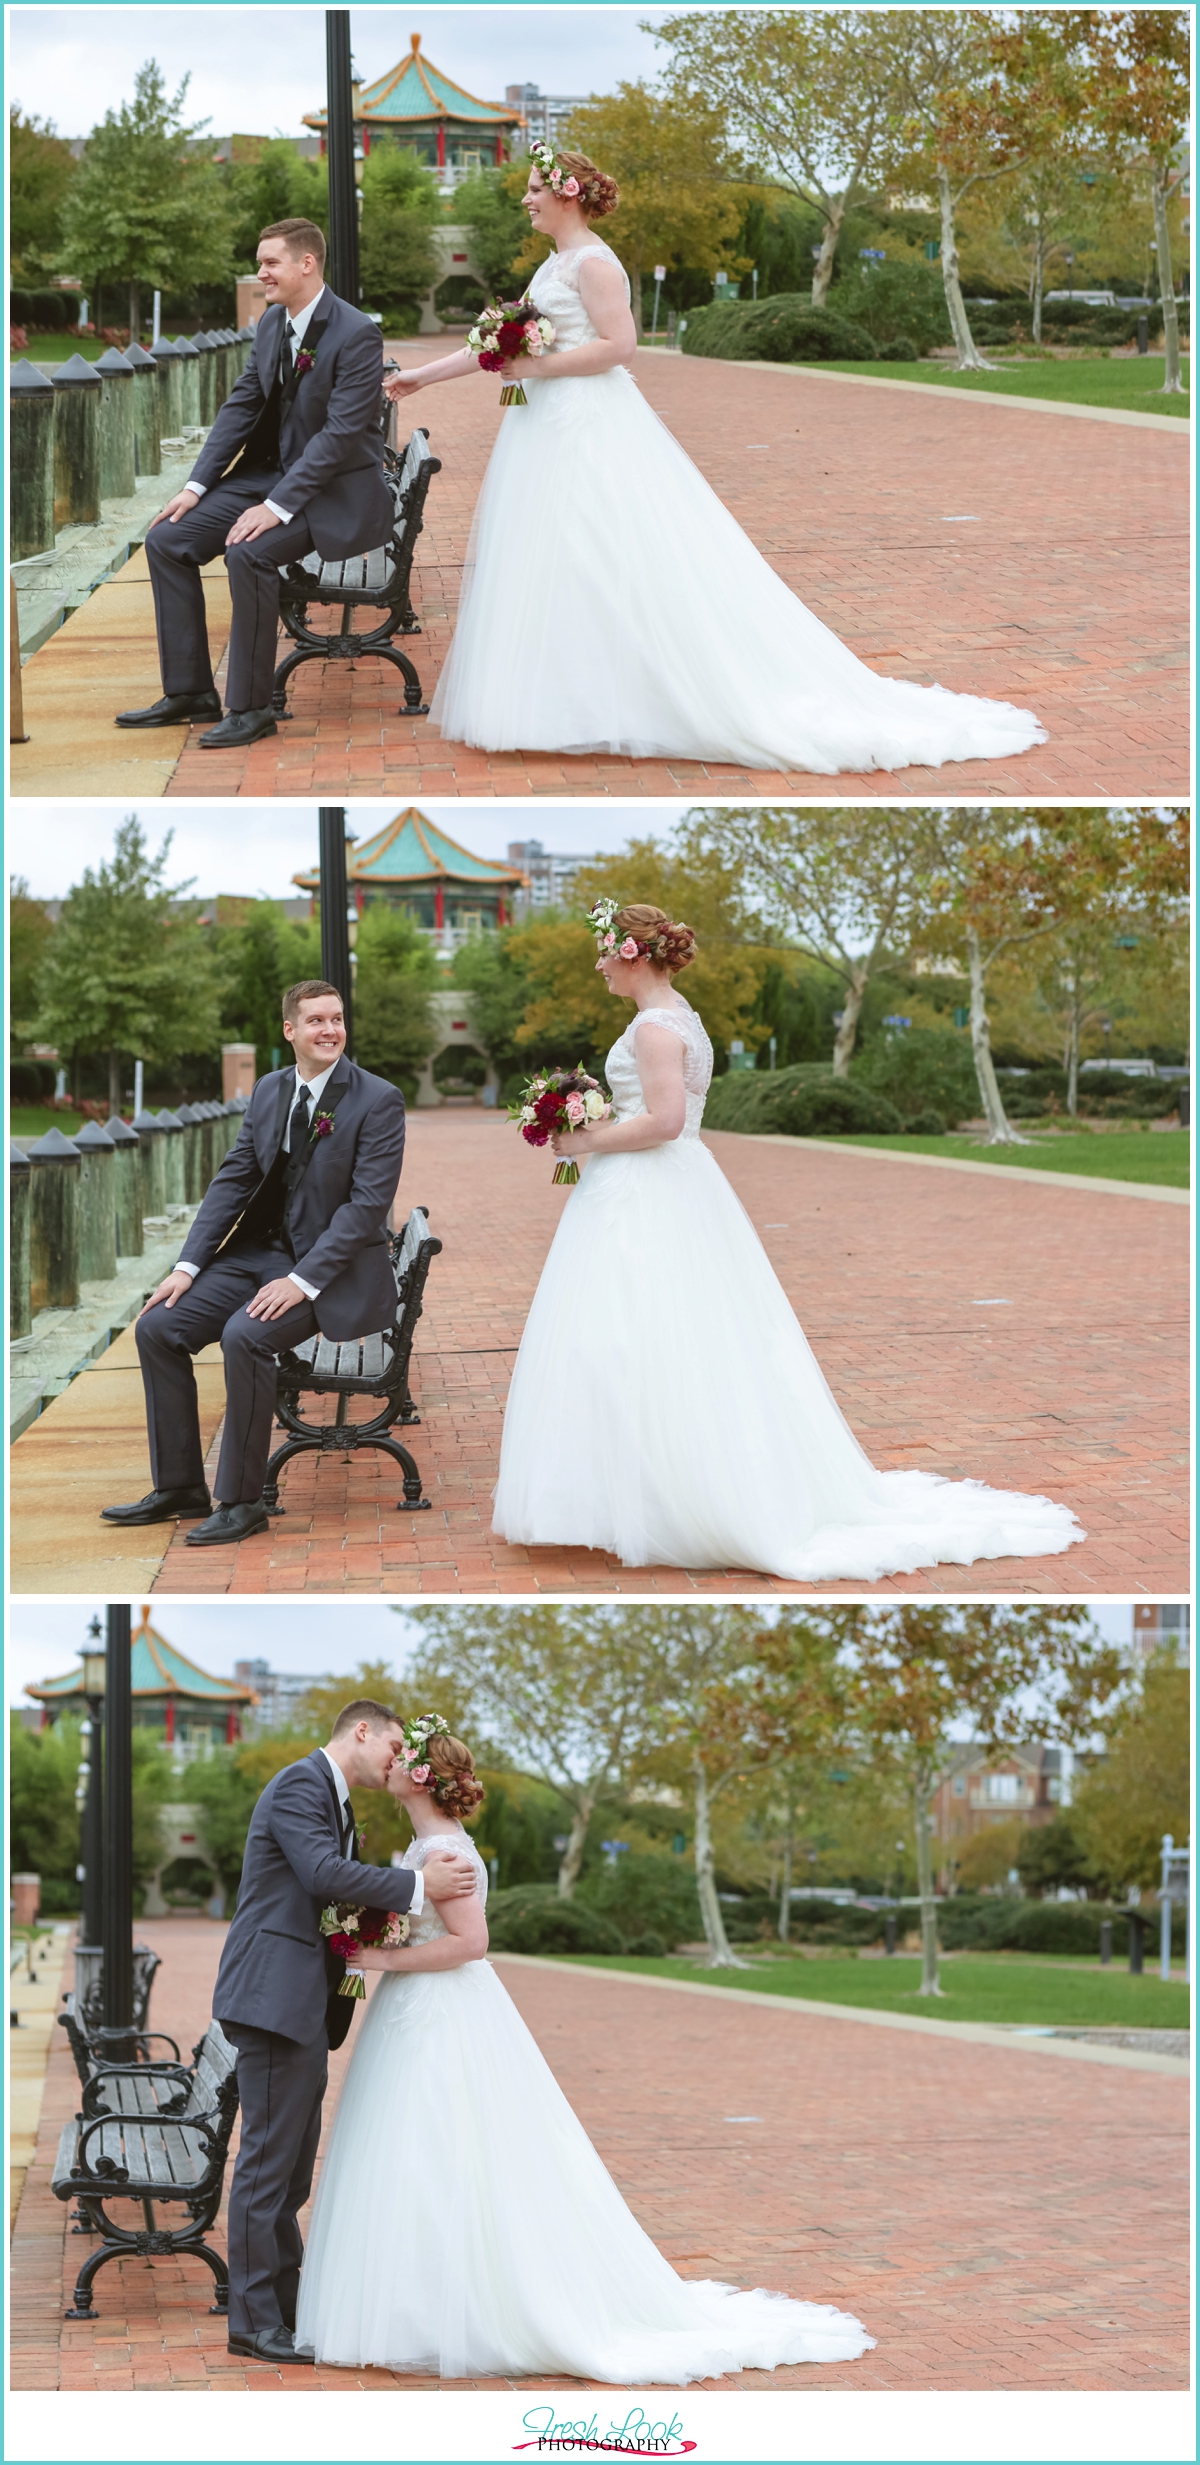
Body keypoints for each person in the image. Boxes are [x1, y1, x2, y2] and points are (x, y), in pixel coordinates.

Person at [385, 146, 1047, 775]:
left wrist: (539, 366)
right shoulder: (551, 266)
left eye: (533, 190)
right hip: (543, 426)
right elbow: (496, 347)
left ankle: (648, 696)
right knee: (559, 561)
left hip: (587, 425)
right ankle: (569, 700)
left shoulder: (594, 263)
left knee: (601, 553)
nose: (524, 201)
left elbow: (621, 347)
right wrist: (421, 377)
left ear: (568, 196)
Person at [491, 902, 1085, 1582]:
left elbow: (664, 1120)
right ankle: (628, 1493)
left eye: (604, 952)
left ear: (632, 954)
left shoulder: (656, 1027)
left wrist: (584, 1137)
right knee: (647, 1337)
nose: (597, 964)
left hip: (647, 1190)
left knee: (635, 1336)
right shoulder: (677, 1018)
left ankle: (666, 1499)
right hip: (667, 1188)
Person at [295, 1719, 875, 2381]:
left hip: (440, 2015)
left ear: (423, 1777)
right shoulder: (420, 1845)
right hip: (411, 2011)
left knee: (444, 2152)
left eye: (403, 1755)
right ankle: (412, 2306)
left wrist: (373, 1953)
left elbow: (470, 1943)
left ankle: (461, 2312)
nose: (392, 1761)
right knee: (411, 2157)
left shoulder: (446, 1851)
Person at [213, 1700, 478, 2365]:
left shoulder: (335, 1800)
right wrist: (419, 1884)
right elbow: (322, 1875)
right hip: (275, 1998)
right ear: (362, 1730)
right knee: (269, 2166)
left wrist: (373, 1935)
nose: (398, 1759)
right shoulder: (302, 1783)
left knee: (292, 2168)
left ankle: (285, 2306)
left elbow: (336, 1897)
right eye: (393, 1745)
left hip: (300, 2002)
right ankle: (251, 2319)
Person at [100, 979, 405, 1548]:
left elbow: (366, 1209)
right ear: (289, 1030)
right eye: (316, 1020)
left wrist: (301, 1280)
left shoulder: (377, 1099)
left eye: (337, 1019)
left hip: (329, 1273)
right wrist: (187, 1266)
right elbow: (235, 1179)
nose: (330, 1030)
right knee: (159, 1327)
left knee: (246, 1335)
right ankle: (180, 1487)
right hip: (258, 1254)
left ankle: (242, 1503)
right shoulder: (269, 1090)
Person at [115, 218, 394, 751]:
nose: (260, 272)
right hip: (266, 475)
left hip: (330, 490)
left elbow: (339, 437)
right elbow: (241, 407)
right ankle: (191, 692)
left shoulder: (357, 332)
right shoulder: (271, 325)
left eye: (270, 262)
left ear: (306, 264)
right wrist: (195, 487)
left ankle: (251, 707)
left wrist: (278, 506)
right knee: (167, 540)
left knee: (250, 553)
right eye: (260, 263)